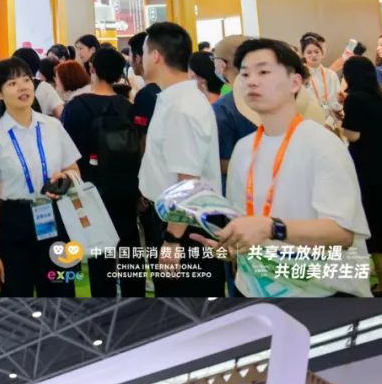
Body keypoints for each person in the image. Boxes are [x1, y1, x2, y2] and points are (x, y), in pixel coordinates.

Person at [215, 40, 372, 298]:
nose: (251, 81)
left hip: (320, 296)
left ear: (295, 82)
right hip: (256, 291)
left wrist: (272, 228)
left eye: (263, 71)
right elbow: (244, 222)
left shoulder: (322, 144)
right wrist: (231, 245)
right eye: (245, 74)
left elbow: (342, 233)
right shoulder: (243, 149)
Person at [0, 57, 81, 297]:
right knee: (17, 295)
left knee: (61, 292)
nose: (23, 87)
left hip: (54, 217)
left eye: (26, 80)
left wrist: (64, 177)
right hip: (14, 222)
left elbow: (74, 170)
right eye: (12, 83)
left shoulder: (53, 126)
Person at [138, 21, 224, 295]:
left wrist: (172, 239)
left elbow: (188, 181)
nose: (139, 58)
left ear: (155, 56)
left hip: (183, 225)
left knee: (185, 302)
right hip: (177, 220)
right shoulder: (175, 99)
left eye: (143, 52)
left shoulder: (181, 107)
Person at [61, 45, 144, 297]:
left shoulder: (76, 107)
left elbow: (66, 150)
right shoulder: (128, 107)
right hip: (127, 187)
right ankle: (136, 303)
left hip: (90, 189)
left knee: (100, 251)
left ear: (92, 69)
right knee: (130, 248)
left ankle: (104, 306)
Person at [340, 54, 382, 296]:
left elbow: (354, 135)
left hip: (368, 168)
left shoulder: (355, 99)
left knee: (376, 223)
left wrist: (339, 127)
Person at [213, 36, 257, 182]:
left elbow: (221, 162)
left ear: (221, 64)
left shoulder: (223, 108)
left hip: (240, 186)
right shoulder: (269, 96)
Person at [300, 31, 340, 127]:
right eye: (309, 52)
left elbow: (336, 100)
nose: (313, 55)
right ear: (303, 54)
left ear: (322, 53)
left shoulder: (331, 75)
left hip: (330, 122)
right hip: (307, 121)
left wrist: (330, 120)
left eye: (316, 51)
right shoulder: (300, 76)